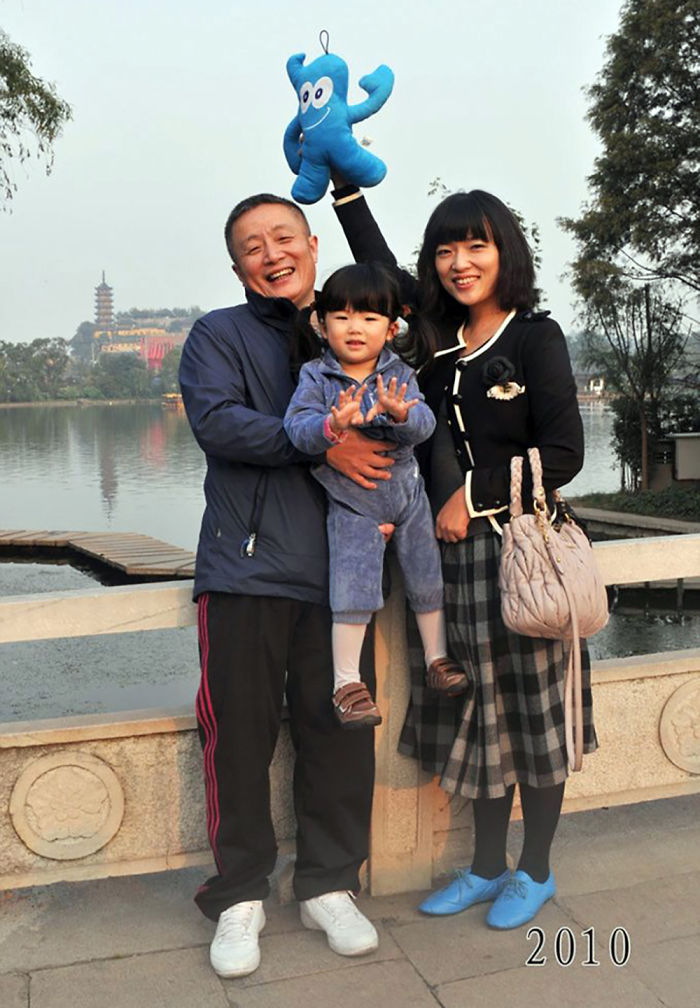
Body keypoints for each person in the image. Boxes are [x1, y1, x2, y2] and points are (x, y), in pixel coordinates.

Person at [331, 185, 597, 929]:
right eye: (445, 249)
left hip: (524, 555)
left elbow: (567, 452)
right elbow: (377, 263)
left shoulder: (533, 337)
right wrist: (346, 192)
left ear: (505, 251)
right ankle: (485, 867)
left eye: (476, 245)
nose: (459, 262)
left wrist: (469, 497)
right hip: (452, 568)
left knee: (535, 720)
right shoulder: (435, 339)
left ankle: (535, 869)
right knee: (481, 719)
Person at [178, 194, 395, 979]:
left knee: (339, 731)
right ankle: (238, 896)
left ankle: (329, 885)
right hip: (247, 567)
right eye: (251, 245)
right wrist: (321, 445)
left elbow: (403, 422)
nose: (271, 253)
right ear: (237, 265)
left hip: (342, 574)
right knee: (237, 736)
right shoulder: (218, 336)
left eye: (282, 237)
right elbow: (219, 424)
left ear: (309, 243)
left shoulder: (351, 328)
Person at [284, 262, 470, 729]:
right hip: (353, 503)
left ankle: (437, 659)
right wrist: (333, 426)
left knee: (427, 576)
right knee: (353, 589)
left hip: (408, 495)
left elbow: (425, 427)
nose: (354, 327)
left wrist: (402, 415)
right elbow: (296, 429)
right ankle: (346, 684)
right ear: (321, 324)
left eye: (368, 318)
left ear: (391, 329)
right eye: (342, 316)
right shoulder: (316, 377)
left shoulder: (400, 374)